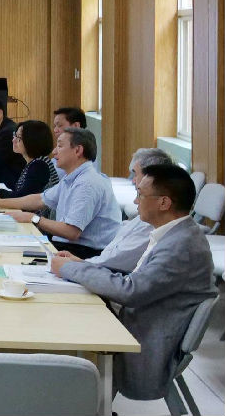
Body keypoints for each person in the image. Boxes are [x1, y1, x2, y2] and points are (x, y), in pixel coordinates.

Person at [51, 165, 217, 401]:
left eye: (141, 194)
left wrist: (70, 269)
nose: (136, 201)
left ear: (163, 203)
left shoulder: (181, 246)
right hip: (140, 320)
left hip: (145, 344)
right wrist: (81, 265)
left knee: (58, 330)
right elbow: (135, 280)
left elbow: (131, 290)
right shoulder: (176, 233)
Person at [0, 128, 121, 258]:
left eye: (60, 146)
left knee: (9, 254)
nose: (54, 152)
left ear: (78, 150)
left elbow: (71, 232)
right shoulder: (72, 177)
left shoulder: (87, 183)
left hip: (84, 254)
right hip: (69, 247)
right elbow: (39, 199)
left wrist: (33, 218)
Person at [84, 148, 174, 272]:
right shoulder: (147, 216)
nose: (133, 180)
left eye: (136, 174)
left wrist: (75, 264)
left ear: (150, 176)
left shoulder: (152, 219)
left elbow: (115, 262)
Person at [0, 120, 59, 199]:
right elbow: (20, 192)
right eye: (15, 135)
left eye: (18, 137)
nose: (13, 140)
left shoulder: (39, 166)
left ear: (32, 140)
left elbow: (23, 199)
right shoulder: (34, 161)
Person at [51, 107, 87, 178]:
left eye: (60, 125)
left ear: (76, 126)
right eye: (55, 126)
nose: (55, 130)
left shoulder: (83, 152)